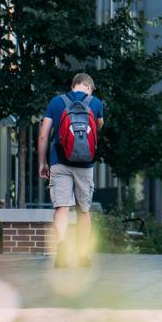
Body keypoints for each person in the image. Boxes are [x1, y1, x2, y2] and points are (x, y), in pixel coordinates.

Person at [38, 73, 105, 268]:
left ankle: (61, 247)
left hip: (59, 161)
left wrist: (43, 162)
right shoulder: (96, 103)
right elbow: (98, 128)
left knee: (62, 208)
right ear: (89, 87)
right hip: (85, 165)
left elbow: (43, 135)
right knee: (83, 210)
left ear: (73, 85)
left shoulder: (56, 102)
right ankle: (83, 254)